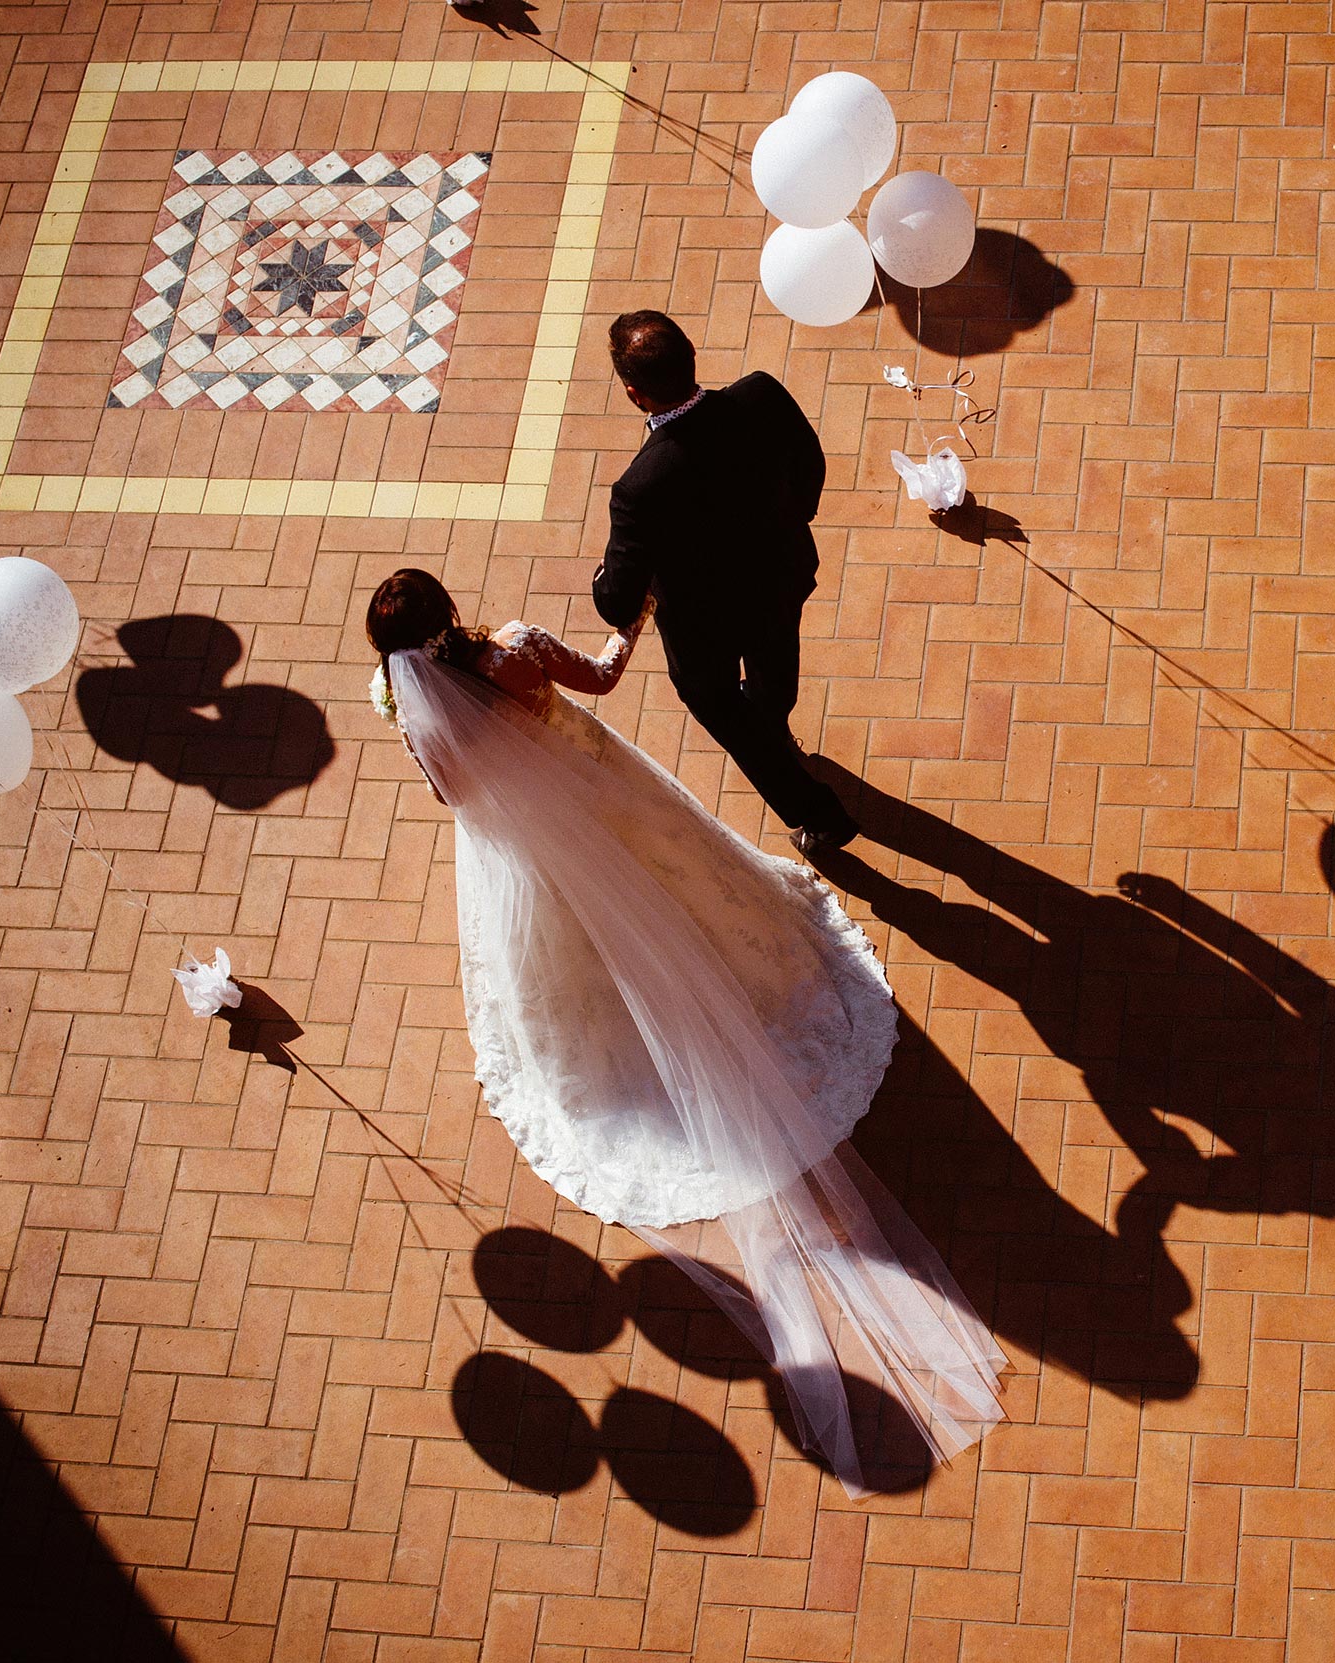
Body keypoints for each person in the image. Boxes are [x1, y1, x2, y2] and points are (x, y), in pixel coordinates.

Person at [363, 568, 1004, 1494]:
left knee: (567, 950)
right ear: (448, 614)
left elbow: (450, 797)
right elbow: (604, 676)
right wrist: (638, 620)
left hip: (530, 846)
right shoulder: (515, 649)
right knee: (686, 888)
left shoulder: (409, 704)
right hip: (604, 797)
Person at [591, 310, 862, 855]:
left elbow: (617, 600)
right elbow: (811, 464)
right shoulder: (761, 396)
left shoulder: (639, 488)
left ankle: (819, 813)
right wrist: (789, 520)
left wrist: (601, 578)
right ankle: (774, 717)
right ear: (692, 355)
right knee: (776, 655)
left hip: (704, 630)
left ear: (634, 394)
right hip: (781, 577)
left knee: (727, 716)